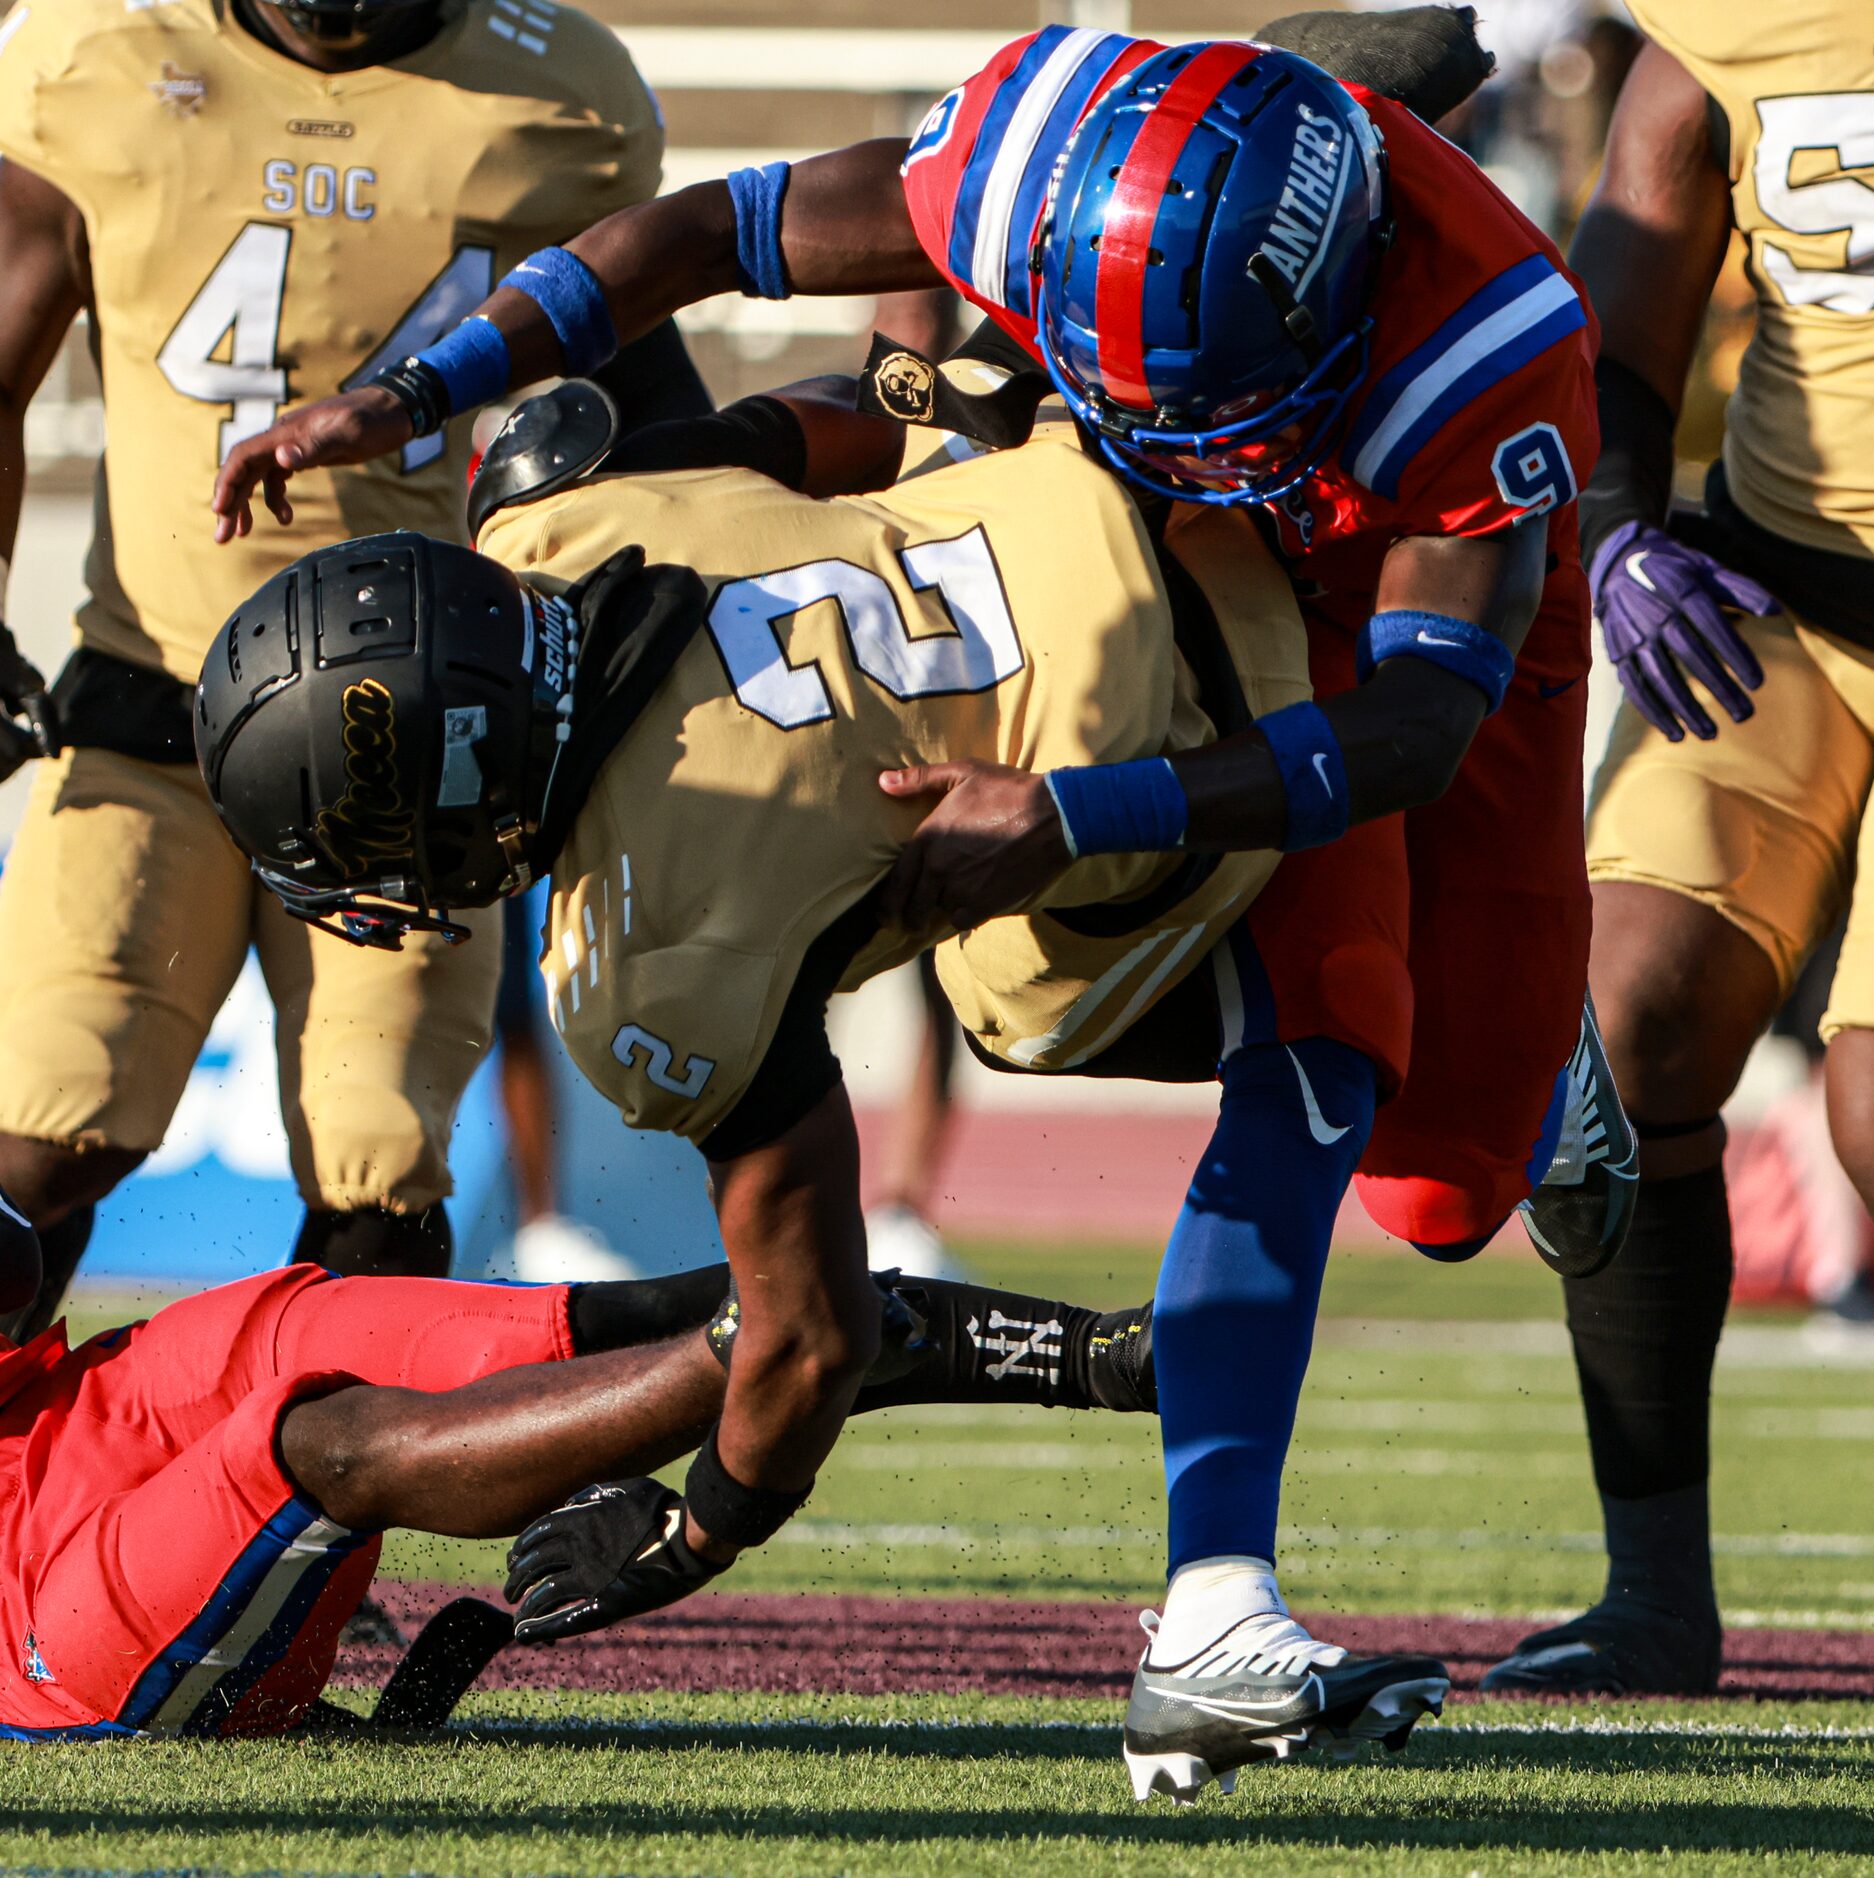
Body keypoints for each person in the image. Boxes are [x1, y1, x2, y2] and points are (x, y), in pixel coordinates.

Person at [201, 7, 1630, 1290]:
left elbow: (1420, 723)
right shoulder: (1022, 189)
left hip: (1389, 525)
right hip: (1108, 439)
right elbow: (707, 239)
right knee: (1409, 1187)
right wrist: (417, 392)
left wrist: (1082, 810)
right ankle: (1267, 109)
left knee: (1445, 1163)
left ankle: (1517, 1026)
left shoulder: (1483, 357)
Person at [200, 382, 1454, 1794]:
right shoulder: (549, 504)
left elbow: (809, 1335)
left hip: (1222, 752)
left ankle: (1425, 1018)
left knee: (1006, 1001)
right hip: (1159, 474)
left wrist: (700, 1531)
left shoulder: (646, 965)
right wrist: (946, 418)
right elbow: (836, 420)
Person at [0, 0, 707, 1329]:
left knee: (377, 1167)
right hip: (149, 694)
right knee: (50, 1126)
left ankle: (300, 1531)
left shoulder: (554, 94)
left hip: (408, 744)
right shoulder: (96, 49)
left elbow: (650, 411)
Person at [1483, 0, 1874, 1696]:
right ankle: (1652, 1594)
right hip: (1775, 600)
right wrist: (1621, 530)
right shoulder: (1724, 23)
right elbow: (1608, 345)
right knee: (1612, 1017)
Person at [0, 1241, 1163, 1740]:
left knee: (533, 1332)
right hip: (39, 1621)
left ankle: (1107, 1356)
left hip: (65, 1393)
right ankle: (739, 1352)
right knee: (321, 1446)